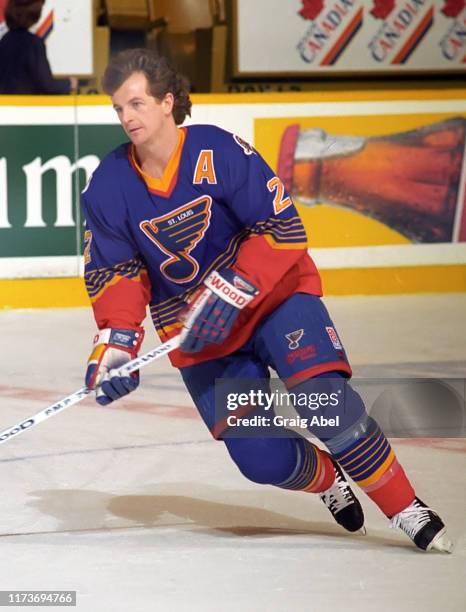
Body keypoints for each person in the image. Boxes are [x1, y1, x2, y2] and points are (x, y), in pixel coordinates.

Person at [81, 48, 452, 553]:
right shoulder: (108, 185)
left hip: (274, 301)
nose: (127, 117)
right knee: (261, 459)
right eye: (119, 108)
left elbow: (282, 226)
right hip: (203, 335)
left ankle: (405, 507)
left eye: (138, 104)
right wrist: (118, 340)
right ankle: (327, 479)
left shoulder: (219, 151)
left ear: (168, 102)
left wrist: (234, 287)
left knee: (326, 406)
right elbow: (115, 271)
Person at [0, 0, 77, 94]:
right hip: (26, 106)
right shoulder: (33, 44)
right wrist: (69, 84)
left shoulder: (4, 41)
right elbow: (46, 86)